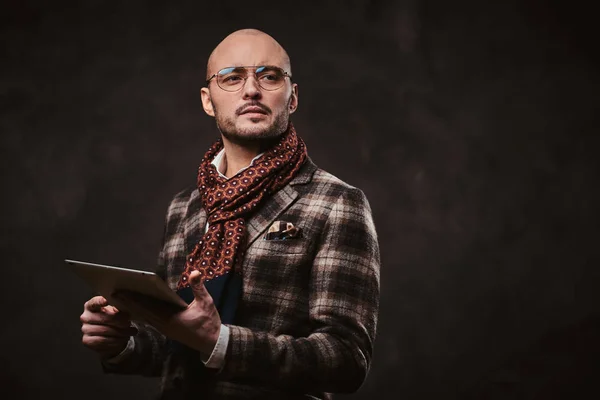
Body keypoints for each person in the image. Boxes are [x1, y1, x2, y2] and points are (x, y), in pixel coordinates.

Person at [79, 28, 380, 399]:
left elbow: (347, 360)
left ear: (293, 96)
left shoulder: (337, 202)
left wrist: (222, 342)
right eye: (232, 77)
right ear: (208, 100)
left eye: (269, 76)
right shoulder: (184, 208)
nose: (251, 90)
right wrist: (120, 343)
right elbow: (177, 345)